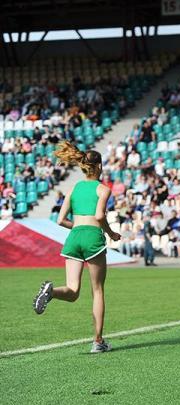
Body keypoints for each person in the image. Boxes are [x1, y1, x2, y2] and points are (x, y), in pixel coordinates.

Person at [32, 141, 121, 353]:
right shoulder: (103, 189)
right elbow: (99, 216)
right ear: (99, 166)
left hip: (73, 237)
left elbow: (61, 219)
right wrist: (111, 233)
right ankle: (98, 342)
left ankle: (51, 292)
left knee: (72, 291)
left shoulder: (74, 188)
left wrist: (79, 227)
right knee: (97, 291)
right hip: (92, 238)